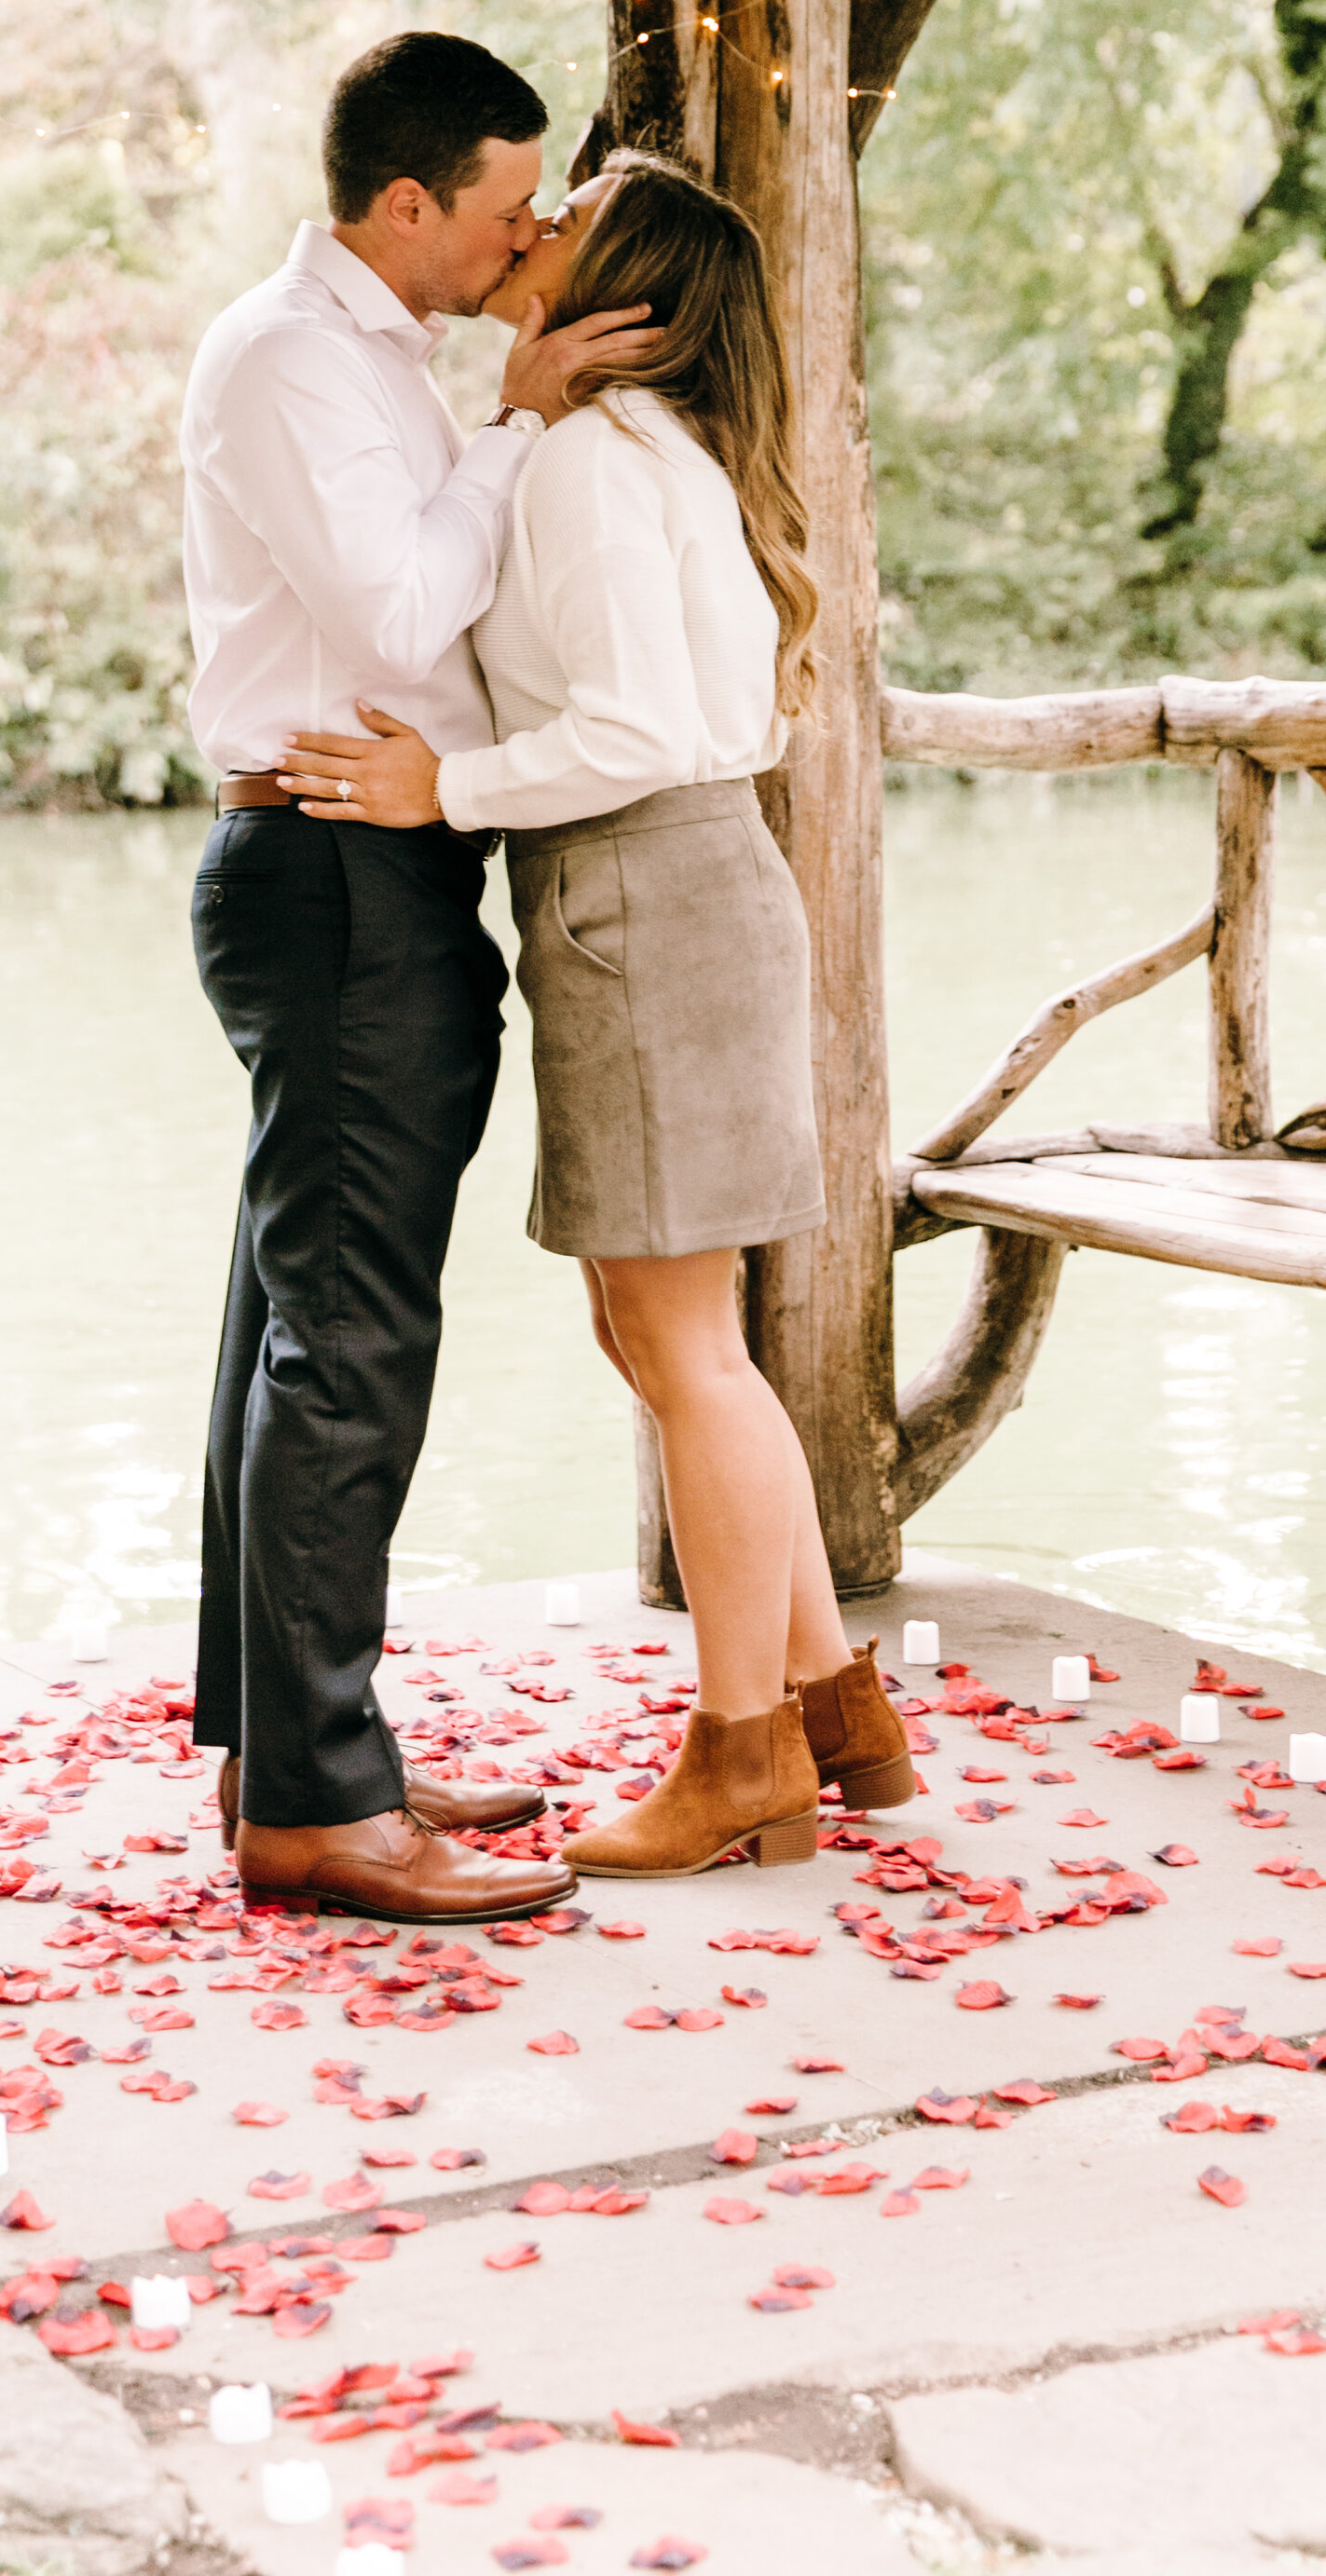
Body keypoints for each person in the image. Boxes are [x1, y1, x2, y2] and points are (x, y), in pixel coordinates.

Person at [280, 153, 916, 1876]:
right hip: (663, 895)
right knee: (660, 1336)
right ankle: (828, 1700)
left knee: (684, 1345)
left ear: (616, 285)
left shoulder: (584, 466)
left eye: (561, 220)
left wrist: (444, 791)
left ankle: (740, 1760)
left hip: (644, 888)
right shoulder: (650, 454)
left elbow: (631, 730)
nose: (531, 221)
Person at [180, 33, 655, 1924]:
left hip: (363, 861)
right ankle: (313, 1801)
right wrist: (527, 418)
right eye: (501, 201)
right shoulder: (294, 360)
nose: (524, 230)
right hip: (335, 872)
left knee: (293, 1319)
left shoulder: (368, 363)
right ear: (402, 206)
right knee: (346, 1333)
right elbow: (391, 607)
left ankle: (285, 1744)